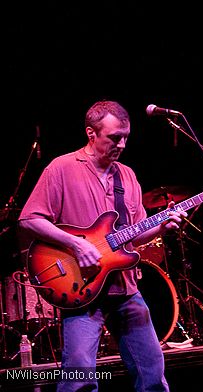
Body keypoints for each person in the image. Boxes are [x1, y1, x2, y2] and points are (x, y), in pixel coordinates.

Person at [18, 100, 186, 391]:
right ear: (91, 133)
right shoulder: (61, 168)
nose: (121, 144)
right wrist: (75, 244)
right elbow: (29, 219)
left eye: (126, 138)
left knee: (153, 375)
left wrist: (163, 226)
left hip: (125, 288)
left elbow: (133, 234)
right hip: (81, 289)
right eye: (114, 138)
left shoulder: (128, 176)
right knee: (78, 380)